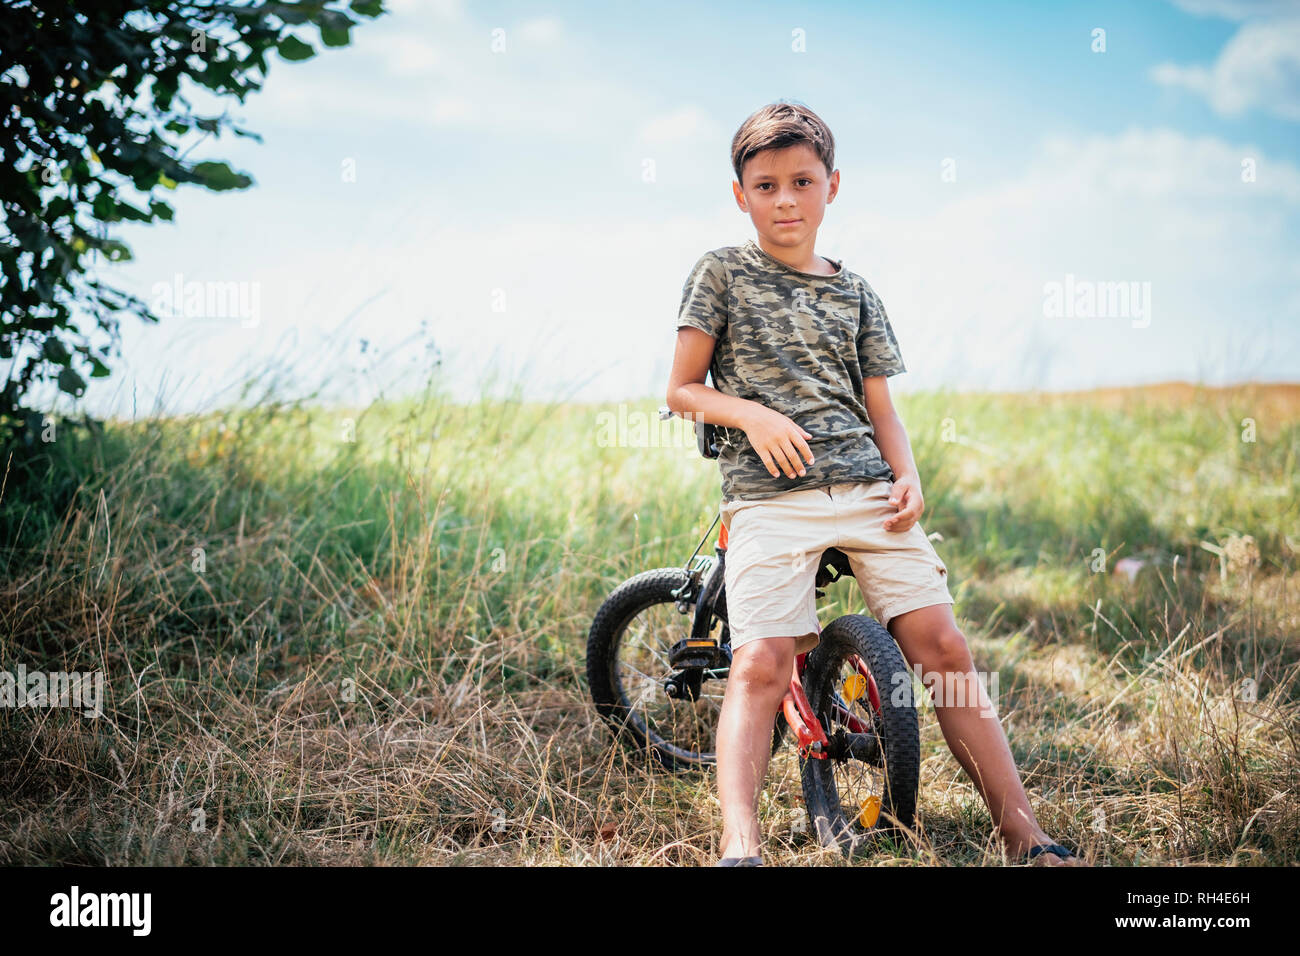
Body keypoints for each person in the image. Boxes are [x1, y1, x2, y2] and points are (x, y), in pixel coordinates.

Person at [665, 100, 1085, 868]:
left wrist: (910, 475)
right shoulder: (721, 272)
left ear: (832, 186)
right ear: (741, 195)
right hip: (768, 499)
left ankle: (1025, 834)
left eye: (801, 181)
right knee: (760, 662)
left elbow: (882, 408)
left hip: (867, 491)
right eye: (765, 185)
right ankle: (740, 845)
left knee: (947, 649)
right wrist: (752, 416)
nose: (785, 199)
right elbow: (682, 389)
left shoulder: (857, 293)